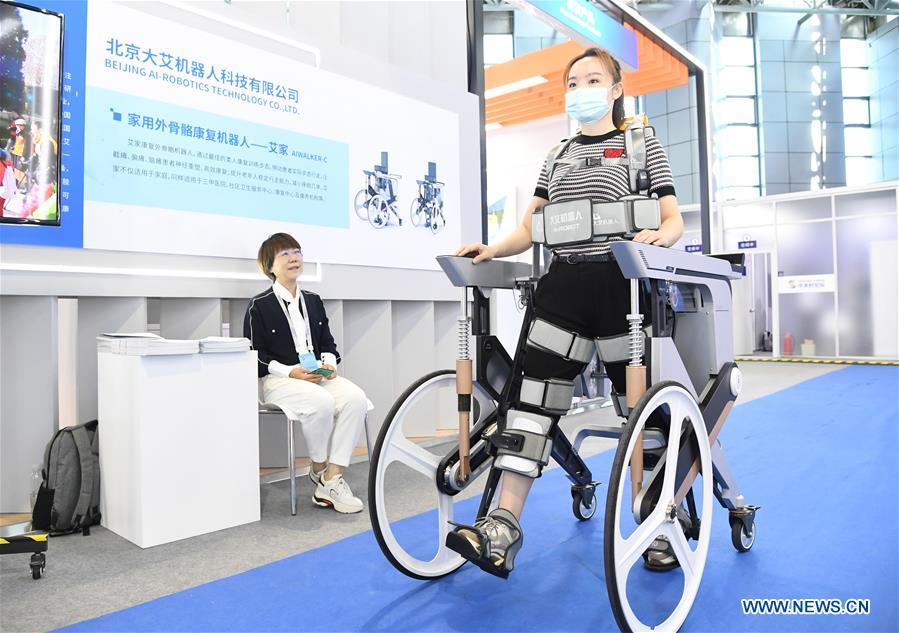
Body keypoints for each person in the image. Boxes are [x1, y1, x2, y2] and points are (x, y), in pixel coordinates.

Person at [448, 47, 684, 576]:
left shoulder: (641, 145)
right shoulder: (555, 155)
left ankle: (655, 523)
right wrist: (491, 248)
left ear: (617, 88)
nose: (581, 89)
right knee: (530, 405)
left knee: (640, 411)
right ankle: (501, 528)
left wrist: (656, 241)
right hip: (563, 289)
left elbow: (672, 219)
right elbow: (531, 226)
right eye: (574, 82)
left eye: (593, 79)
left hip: (622, 283)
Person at [244, 232, 369, 514]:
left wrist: (329, 365)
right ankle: (319, 467)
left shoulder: (313, 301)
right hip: (278, 381)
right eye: (285, 254)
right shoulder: (258, 306)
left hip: (317, 376)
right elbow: (256, 358)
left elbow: (328, 344)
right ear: (269, 266)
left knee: (356, 398)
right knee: (321, 402)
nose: (294, 258)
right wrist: (292, 373)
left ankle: (330, 478)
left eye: (297, 252)